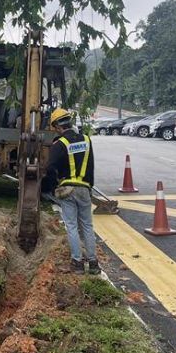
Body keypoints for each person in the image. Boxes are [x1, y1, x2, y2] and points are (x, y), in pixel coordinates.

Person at [45, 108, 100, 275]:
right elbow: (91, 165)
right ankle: (93, 263)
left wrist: (52, 187)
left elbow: (50, 168)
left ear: (57, 126)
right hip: (85, 187)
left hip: (68, 189)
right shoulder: (87, 140)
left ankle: (77, 263)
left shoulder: (60, 144)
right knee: (87, 226)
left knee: (72, 226)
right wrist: (89, 186)